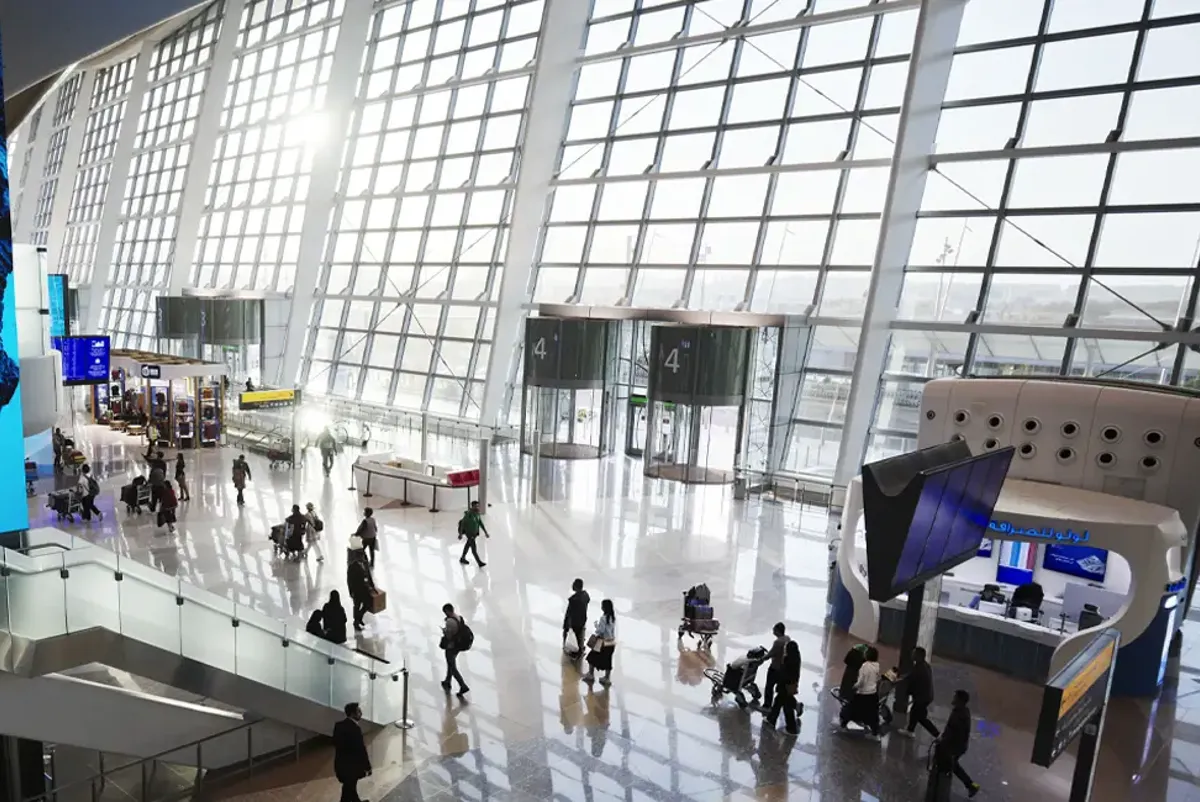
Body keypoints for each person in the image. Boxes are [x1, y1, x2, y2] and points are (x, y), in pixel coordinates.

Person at [935, 689, 980, 798]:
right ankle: (971, 785)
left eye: (955, 697)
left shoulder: (959, 715)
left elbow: (953, 733)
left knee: (950, 765)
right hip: (957, 747)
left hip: (954, 748)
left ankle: (970, 785)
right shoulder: (962, 711)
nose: (953, 698)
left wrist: (943, 741)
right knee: (954, 766)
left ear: (959, 700)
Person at [839, 645, 881, 739]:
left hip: (863, 693)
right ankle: (874, 732)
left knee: (851, 709)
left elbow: (861, 681)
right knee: (872, 713)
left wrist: (855, 686)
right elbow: (877, 678)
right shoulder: (877, 666)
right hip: (872, 693)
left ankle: (843, 724)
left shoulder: (864, 666)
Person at [332, 702, 371, 802]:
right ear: (352, 714)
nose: (361, 713)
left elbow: (335, 743)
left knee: (349, 787)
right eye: (358, 711)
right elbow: (361, 750)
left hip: (340, 765)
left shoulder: (338, 726)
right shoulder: (355, 729)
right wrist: (367, 766)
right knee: (349, 788)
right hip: (351, 768)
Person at [899, 647, 939, 739]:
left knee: (921, 717)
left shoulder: (919, 669)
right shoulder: (924, 666)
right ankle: (910, 730)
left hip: (922, 698)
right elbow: (911, 676)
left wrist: (905, 695)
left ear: (919, 656)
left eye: (914, 654)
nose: (911, 655)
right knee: (915, 713)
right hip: (926, 696)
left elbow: (912, 682)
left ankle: (937, 735)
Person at [765, 640, 802, 735]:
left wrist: (779, 682)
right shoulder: (796, 658)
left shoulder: (787, 660)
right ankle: (771, 719)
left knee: (786, 706)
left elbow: (783, 674)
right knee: (778, 702)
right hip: (790, 685)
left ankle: (791, 728)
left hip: (784, 686)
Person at [582, 599, 617, 686]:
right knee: (608, 660)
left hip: (602, 642)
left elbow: (600, 631)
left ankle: (590, 674)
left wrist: (596, 625)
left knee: (592, 657)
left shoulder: (603, 618)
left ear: (604, 608)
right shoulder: (613, 618)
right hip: (611, 642)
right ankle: (607, 678)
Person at [440, 603, 470, 697]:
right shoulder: (458, 617)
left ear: (447, 611)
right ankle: (447, 681)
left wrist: (445, 630)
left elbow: (449, 635)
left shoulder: (450, 622)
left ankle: (463, 685)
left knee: (452, 667)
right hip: (458, 645)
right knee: (451, 663)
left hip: (451, 646)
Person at [762, 622, 789, 709]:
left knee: (769, 687)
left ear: (777, 631)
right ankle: (794, 705)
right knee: (783, 690)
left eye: (774, 629)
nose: (773, 631)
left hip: (775, 668)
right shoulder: (787, 639)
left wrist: (762, 658)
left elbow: (771, 653)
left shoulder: (778, 642)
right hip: (784, 668)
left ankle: (767, 705)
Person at [563, 578, 590, 659]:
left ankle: (577, 652)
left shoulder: (574, 600)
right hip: (582, 619)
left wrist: (567, 624)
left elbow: (569, 613)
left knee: (574, 636)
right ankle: (581, 649)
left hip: (575, 622)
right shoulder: (585, 596)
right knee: (580, 636)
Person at [347, 552, 376, 631]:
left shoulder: (365, 564)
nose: (363, 559)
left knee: (367, 604)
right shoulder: (352, 567)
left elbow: (369, 576)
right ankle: (356, 622)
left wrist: (372, 586)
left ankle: (359, 617)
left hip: (365, 589)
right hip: (357, 591)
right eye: (362, 557)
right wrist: (351, 591)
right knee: (357, 606)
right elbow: (349, 581)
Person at [457, 500, 489, 568]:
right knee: (473, 549)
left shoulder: (477, 513)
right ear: (472, 506)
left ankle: (462, 558)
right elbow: (463, 523)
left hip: (474, 534)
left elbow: (480, 523)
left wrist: (485, 532)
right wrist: (460, 534)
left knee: (468, 545)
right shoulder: (469, 514)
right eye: (476, 506)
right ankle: (479, 562)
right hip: (470, 534)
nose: (477, 507)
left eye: (478, 506)